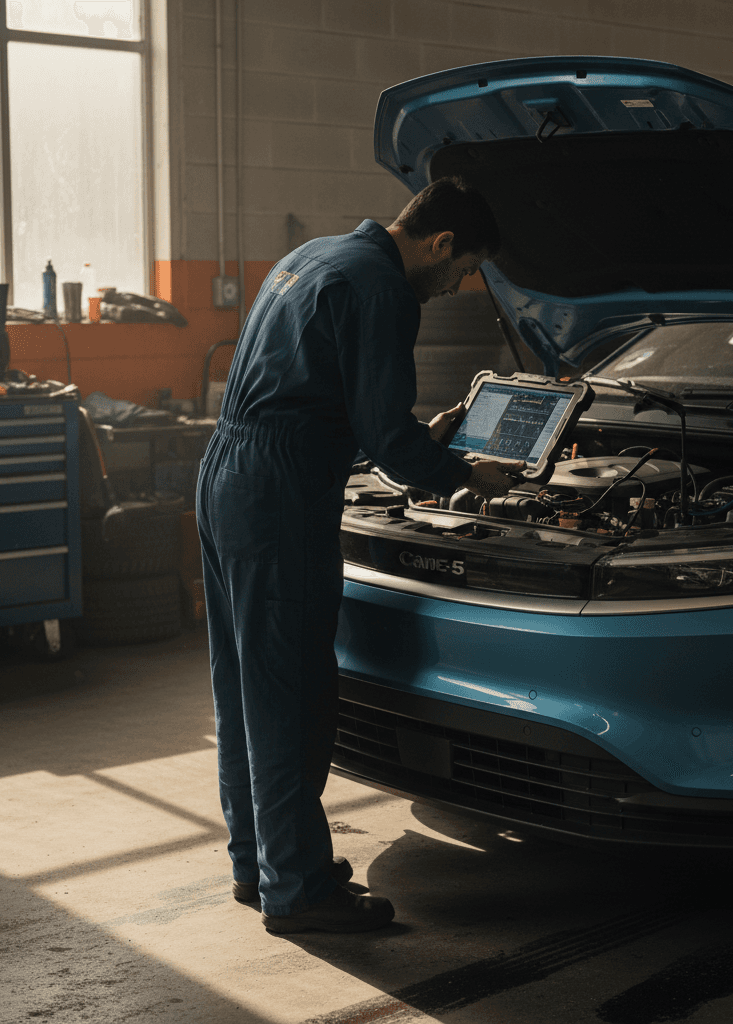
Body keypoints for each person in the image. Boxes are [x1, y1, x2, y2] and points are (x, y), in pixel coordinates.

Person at [196, 177, 520, 935]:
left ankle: (263, 861)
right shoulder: (384, 289)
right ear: (441, 244)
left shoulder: (317, 255)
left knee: (244, 682)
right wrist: (464, 473)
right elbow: (382, 433)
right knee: (292, 691)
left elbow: (338, 399)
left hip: (225, 472)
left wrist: (414, 438)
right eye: (464, 267)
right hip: (280, 490)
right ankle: (301, 892)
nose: (457, 285)